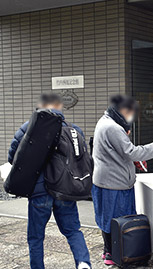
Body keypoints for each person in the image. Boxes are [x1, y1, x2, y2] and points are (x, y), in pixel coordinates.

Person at [8, 93, 91, 269]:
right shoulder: (73, 129)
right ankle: (84, 264)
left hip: (39, 191)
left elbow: (13, 155)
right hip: (64, 189)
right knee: (73, 230)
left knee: (36, 236)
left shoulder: (29, 127)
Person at [91, 94, 153, 266]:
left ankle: (108, 252)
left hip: (104, 180)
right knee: (117, 220)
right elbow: (130, 152)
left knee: (106, 218)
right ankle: (116, 254)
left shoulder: (105, 121)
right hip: (114, 183)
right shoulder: (113, 127)